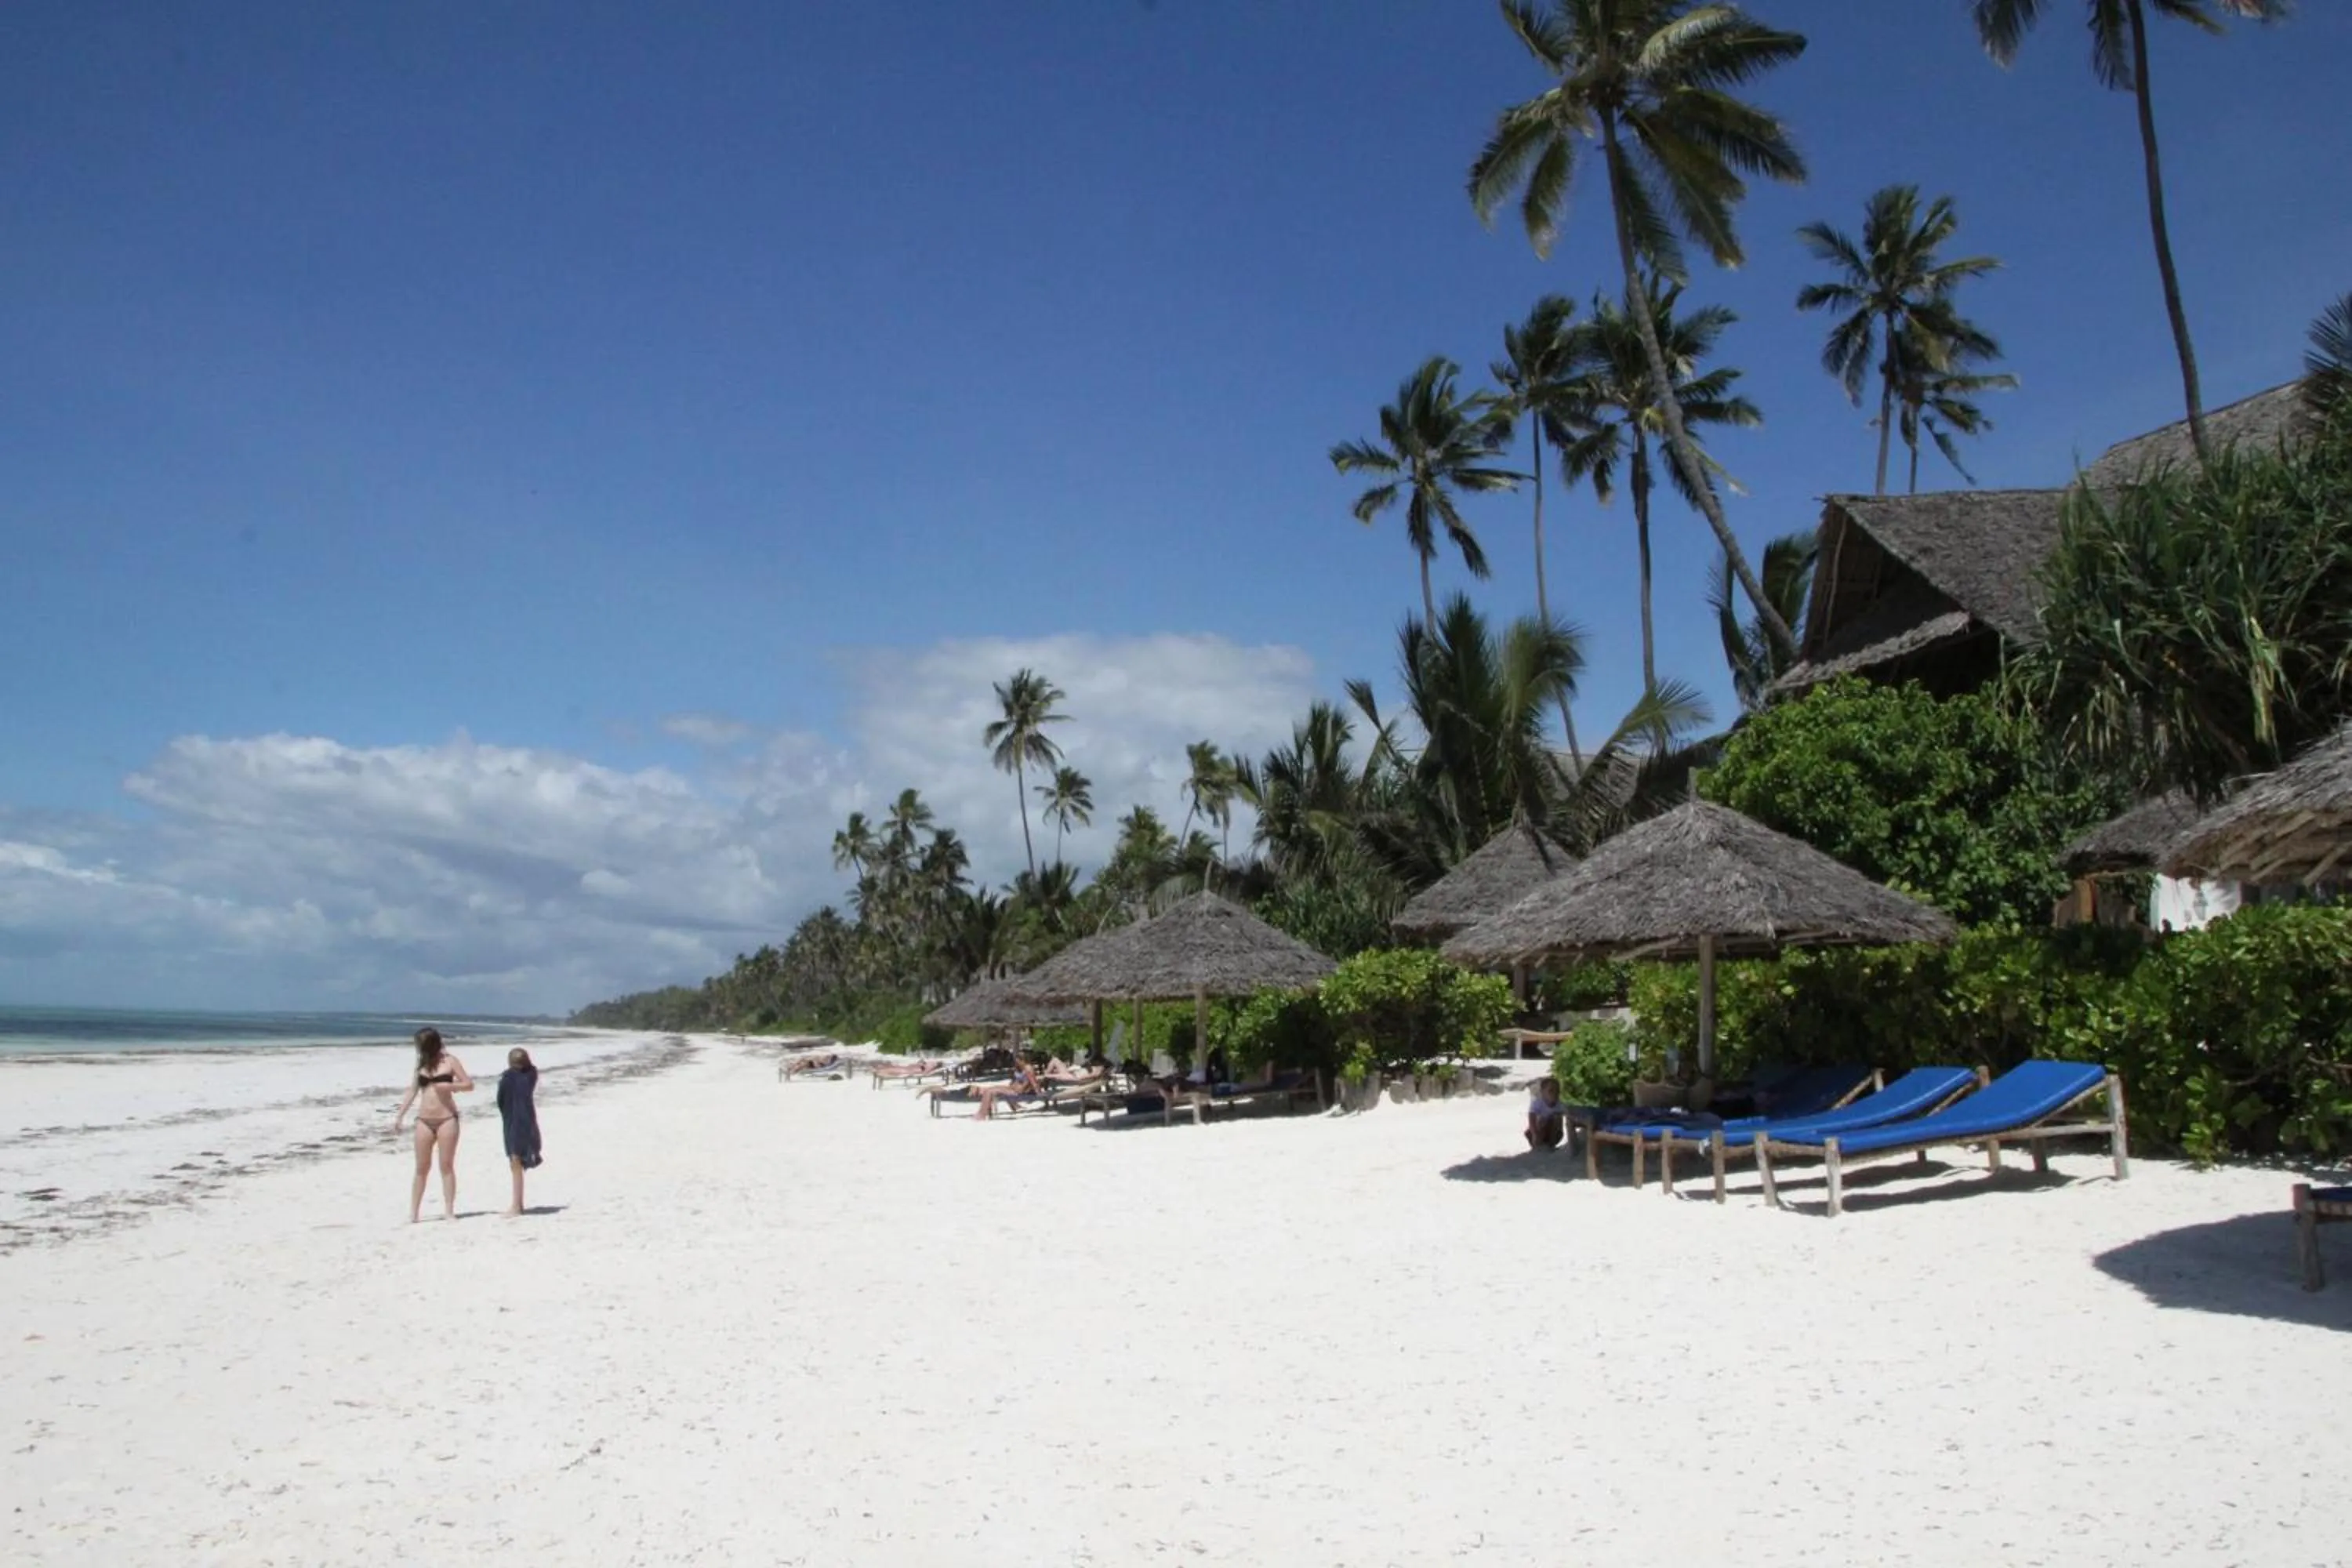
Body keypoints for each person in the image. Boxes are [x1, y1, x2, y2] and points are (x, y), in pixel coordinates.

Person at [393, 1027, 474, 1221]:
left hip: (447, 1118)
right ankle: (414, 1212)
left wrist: (451, 1086)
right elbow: (412, 1090)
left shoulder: (450, 1061)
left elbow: (469, 1084)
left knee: (446, 1166)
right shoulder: (421, 1064)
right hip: (424, 1120)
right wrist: (400, 1115)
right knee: (421, 1167)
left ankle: (448, 1210)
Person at [498, 1047, 543, 1217]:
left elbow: (501, 1100)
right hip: (528, 1119)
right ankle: (518, 1204)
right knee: (518, 1159)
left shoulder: (508, 1078)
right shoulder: (531, 1075)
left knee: (515, 1160)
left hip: (515, 1120)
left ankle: (517, 1205)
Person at [1525, 1076, 1570, 1152]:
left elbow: (1570, 1116)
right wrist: (1534, 1134)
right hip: (1536, 1132)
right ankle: (1537, 1146)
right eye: (1551, 1091)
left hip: (1554, 1134)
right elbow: (1531, 1117)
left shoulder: (1560, 1104)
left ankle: (1551, 1146)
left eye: (1557, 1091)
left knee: (1557, 1117)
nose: (1554, 1094)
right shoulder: (1538, 1103)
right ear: (1542, 1093)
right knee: (1542, 1120)